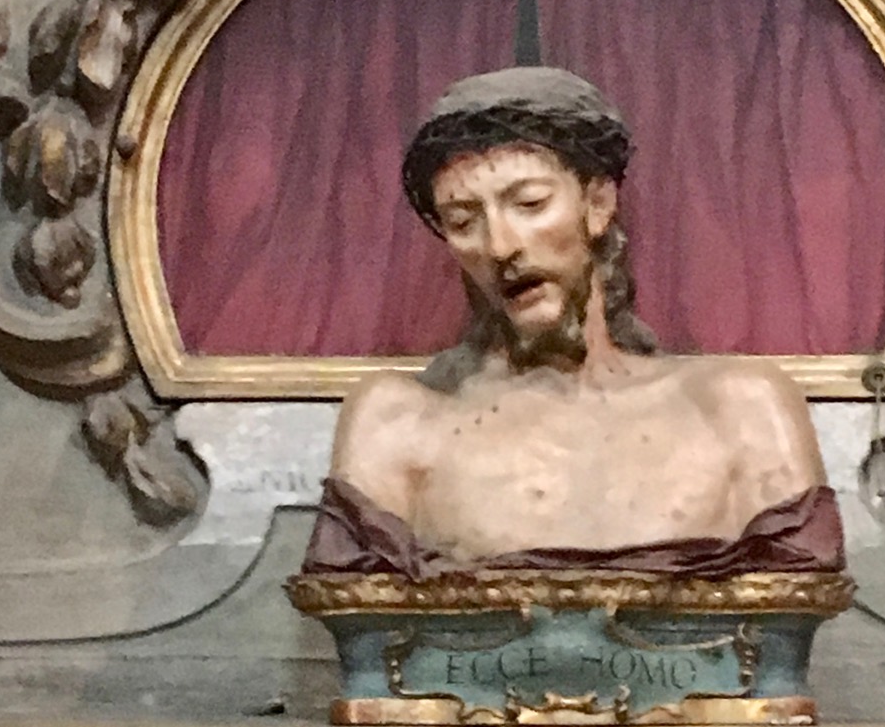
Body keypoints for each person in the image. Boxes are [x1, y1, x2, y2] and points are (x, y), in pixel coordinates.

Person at [303, 67, 842, 578]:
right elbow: (369, 634)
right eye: (463, 222)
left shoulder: (740, 410)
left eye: (529, 203)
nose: (500, 246)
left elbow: (785, 624)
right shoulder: (398, 424)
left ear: (598, 203)